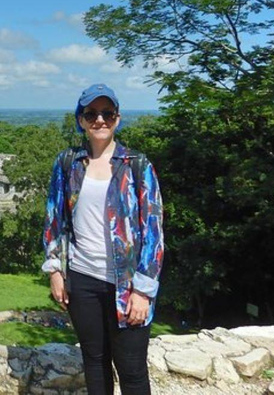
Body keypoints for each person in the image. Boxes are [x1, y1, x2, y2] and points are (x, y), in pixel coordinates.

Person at [42, 83, 164, 395]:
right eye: (91, 114)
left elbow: (153, 230)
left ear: (117, 118)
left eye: (107, 113)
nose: (100, 120)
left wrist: (144, 290)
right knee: (94, 362)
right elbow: (54, 219)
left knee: (132, 369)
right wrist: (55, 270)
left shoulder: (136, 165)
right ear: (80, 120)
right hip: (83, 278)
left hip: (127, 283)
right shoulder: (69, 163)